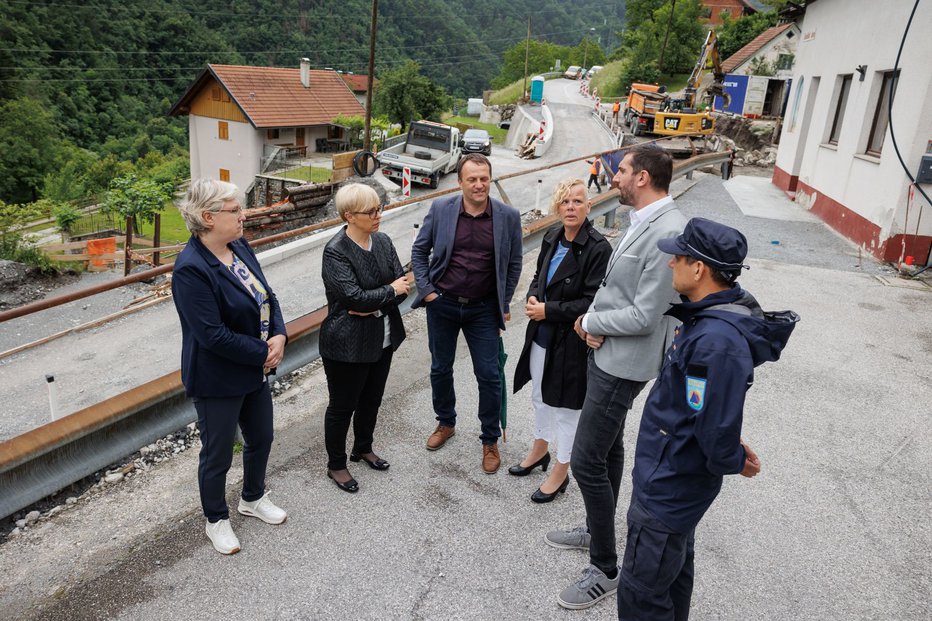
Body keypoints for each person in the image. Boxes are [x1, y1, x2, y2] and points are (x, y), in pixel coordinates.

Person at [618, 218, 798, 620]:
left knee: (641, 595)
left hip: (670, 485)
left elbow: (714, 428)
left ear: (698, 268)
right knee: (672, 575)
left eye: (677, 257)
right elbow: (708, 412)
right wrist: (729, 449)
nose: (669, 265)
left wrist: (732, 459)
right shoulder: (712, 318)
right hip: (676, 477)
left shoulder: (716, 341)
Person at [547, 144, 687, 610]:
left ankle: (605, 568)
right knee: (608, 446)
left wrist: (590, 323)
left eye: (622, 170)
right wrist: (595, 323)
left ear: (643, 177)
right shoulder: (644, 221)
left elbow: (647, 314)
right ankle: (595, 526)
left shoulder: (668, 230)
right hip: (607, 351)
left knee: (587, 459)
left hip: (623, 361)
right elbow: (618, 290)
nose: (615, 178)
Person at [172, 179, 288, 555]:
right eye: (235, 210)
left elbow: (266, 297)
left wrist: (281, 336)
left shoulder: (238, 246)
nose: (243, 215)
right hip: (217, 377)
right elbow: (212, 336)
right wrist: (263, 352)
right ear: (208, 217)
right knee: (219, 453)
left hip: (254, 369)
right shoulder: (191, 269)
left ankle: (252, 498)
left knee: (262, 438)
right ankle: (216, 520)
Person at [411, 153, 523, 474]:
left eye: (484, 178)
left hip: (484, 309)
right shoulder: (441, 209)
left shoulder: (507, 216)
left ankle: (489, 439)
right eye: (471, 179)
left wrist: (503, 303)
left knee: (488, 374)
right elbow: (420, 251)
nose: (478, 185)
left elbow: (514, 263)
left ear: (490, 179)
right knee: (440, 368)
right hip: (443, 303)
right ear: (459, 182)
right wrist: (427, 291)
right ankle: (445, 422)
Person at [511, 178, 611, 503]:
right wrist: (530, 298)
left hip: (572, 340)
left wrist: (547, 310)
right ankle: (540, 448)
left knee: (568, 408)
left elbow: (592, 302)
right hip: (541, 333)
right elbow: (539, 276)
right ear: (558, 207)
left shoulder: (598, 247)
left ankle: (561, 468)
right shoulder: (553, 236)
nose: (571, 207)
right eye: (565, 202)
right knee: (540, 396)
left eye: (577, 202)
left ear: (589, 206)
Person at [318, 184, 410, 493]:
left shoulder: (382, 241)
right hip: (346, 342)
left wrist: (374, 300)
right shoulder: (335, 251)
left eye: (378, 208)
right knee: (343, 405)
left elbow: (402, 286)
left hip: (382, 336)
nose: (378, 215)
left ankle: (363, 447)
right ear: (348, 216)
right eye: (370, 211)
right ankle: (336, 464)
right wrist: (384, 293)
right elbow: (354, 297)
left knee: (372, 398)